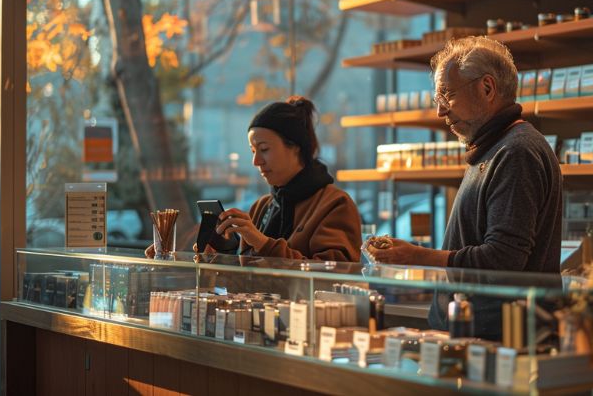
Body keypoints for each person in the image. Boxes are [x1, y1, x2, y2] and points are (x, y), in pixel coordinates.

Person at [369, 36, 562, 273]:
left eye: (447, 95)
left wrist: (417, 255)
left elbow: (503, 260)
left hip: (497, 312)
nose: (440, 111)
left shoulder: (516, 152)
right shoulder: (493, 148)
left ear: (487, 88)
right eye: (437, 99)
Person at [200, 96, 361, 262]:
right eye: (253, 151)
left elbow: (334, 276)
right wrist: (217, 259)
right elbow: (246, 282)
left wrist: (263, 244)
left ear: (295, 147)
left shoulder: (335, 204)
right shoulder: (261, 207)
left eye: (264, 149)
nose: (256, 161)